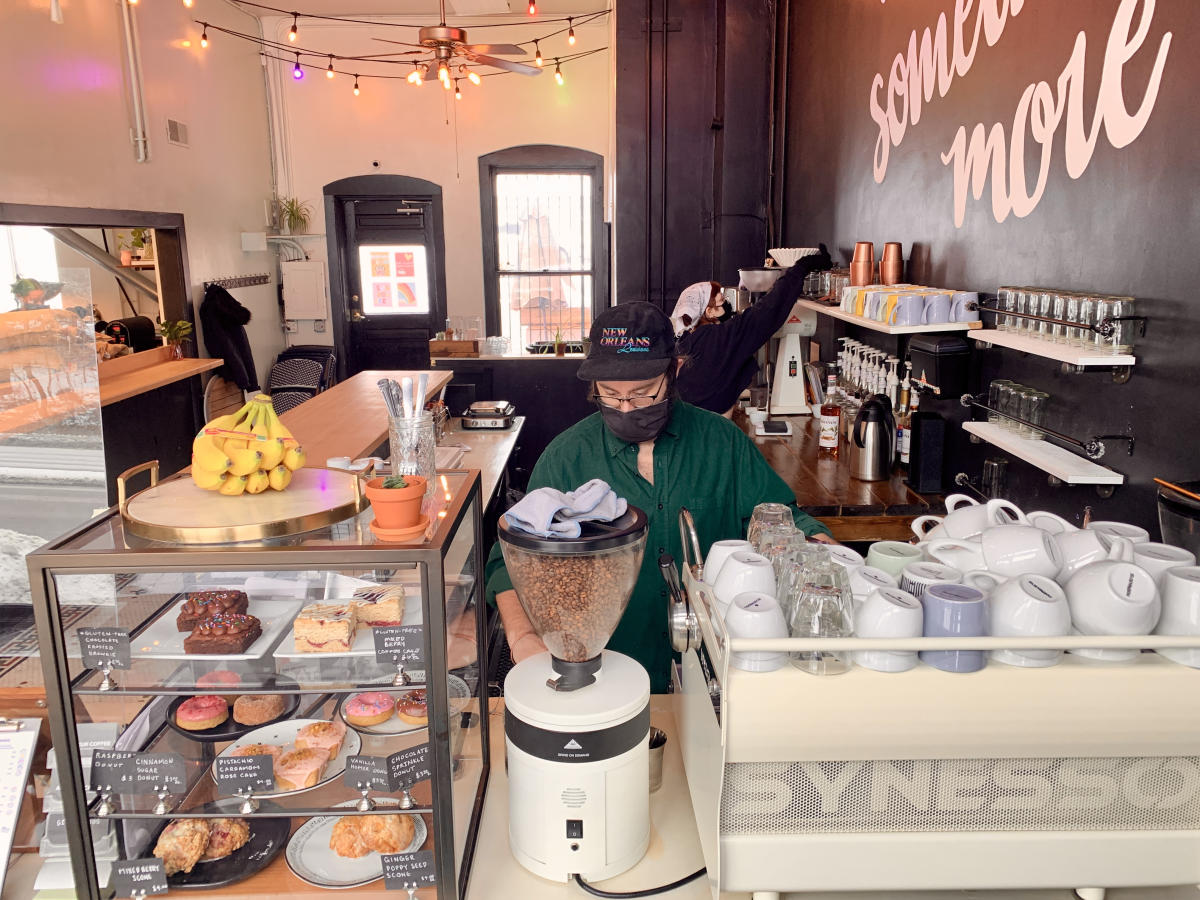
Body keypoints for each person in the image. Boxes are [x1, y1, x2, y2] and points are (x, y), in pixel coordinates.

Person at [484, 301, 834, 692]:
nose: (627, 408)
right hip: (602, 673)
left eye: (644, 393)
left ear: (675, 371)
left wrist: (824, 557)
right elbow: (510, 560)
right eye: (611, 395)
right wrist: (521, 638)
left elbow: (781, 521)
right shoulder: (567, 456)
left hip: (714, 673)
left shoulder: (722, 444)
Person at [674, 246, 831, 416]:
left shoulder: (682, 342)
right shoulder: (719, 338)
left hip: (684, 428)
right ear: (709, 312)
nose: (727, 304)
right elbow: (768, 310)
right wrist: (802, 266)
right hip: (713, 430)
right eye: (721, 302)